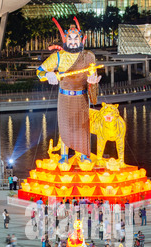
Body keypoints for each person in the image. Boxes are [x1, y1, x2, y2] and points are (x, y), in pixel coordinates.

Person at [37, 17, 100, 164]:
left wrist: (93, 83)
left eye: (75, 38)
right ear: (65, 39)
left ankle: (84, 154)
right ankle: (64, 155)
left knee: (82, 126)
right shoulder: (58, 56)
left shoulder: (88, 56)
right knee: (66, 126)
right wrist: (48, 74)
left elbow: (92, 78)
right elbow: (39, 71)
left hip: (82, 97)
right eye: (69, 38)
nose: (72, 41)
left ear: (81, 39)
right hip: (65, 97)